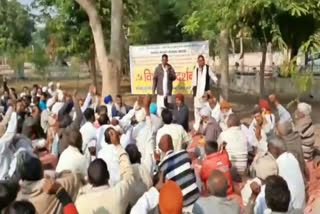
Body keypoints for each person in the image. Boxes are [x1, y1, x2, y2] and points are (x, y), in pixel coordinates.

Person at [75, 127, 134, 214]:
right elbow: (128, 175)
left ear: (89, 180)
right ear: (108, 175)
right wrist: (118, 145)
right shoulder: (119, 193)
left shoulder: (80, 202)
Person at [16, 155, 81, 214]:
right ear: (42, 172)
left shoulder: (18, 199)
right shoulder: (54, 187)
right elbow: (73, 177)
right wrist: (53, 176)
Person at [158, 135, 200, 207]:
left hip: (181, 204)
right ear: (172, 144)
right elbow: (193, 175)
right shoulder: (184, 153)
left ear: (161, 150)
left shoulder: (161, 166)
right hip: (196, 196)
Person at [268, 136, 306, 210]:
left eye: (269, 149)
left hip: (290, 207)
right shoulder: (291, 157)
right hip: (301, 206)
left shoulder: (279, 163)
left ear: (275, 149)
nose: (269, 152)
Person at [192, 55, 218, 131]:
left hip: (205, 92)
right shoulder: (196, 69)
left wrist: (215, 80)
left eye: (202, 60)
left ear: (204, 61)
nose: (201, 62)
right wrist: (192, 91)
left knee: (205, 110)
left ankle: (205, 127)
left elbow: (212, 75)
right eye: (199, 60)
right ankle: (196, 127)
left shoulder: (207, 68)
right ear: (198, 61)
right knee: (196, 110)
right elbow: (193, 81)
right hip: (197, 92)